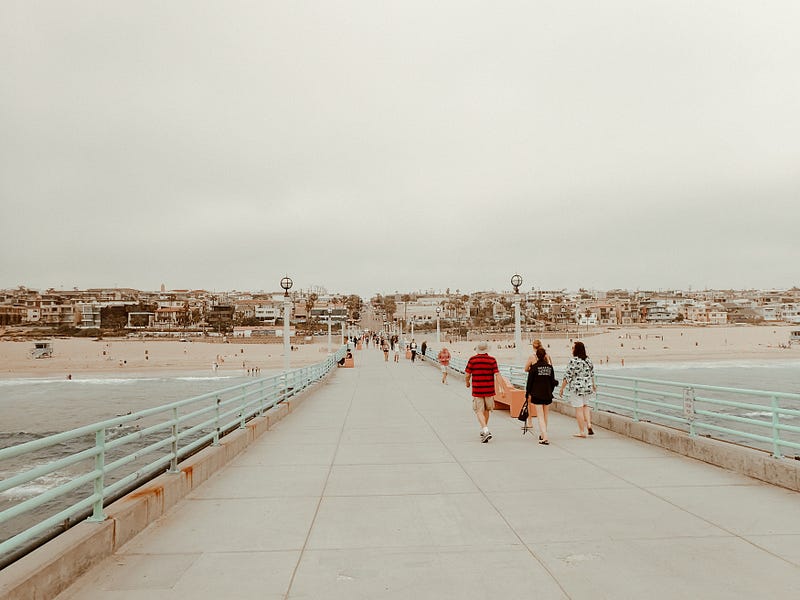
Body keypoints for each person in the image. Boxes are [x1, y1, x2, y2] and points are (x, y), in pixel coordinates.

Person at [465, 341, 505, 443]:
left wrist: (467, 383)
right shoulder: (492, 360)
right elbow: (497, 374)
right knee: (487, 410)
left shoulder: (472, 359)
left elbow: (467, 374)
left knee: (479, 411)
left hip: (477, 390)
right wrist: (502, 388)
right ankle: (484, 430)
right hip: (489, 390)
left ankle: (486, 430)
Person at [559, 341, 596, 438]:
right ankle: (589, 424)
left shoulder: (574, 361)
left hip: (577, 388)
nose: (572, 350)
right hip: (588, 387)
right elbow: (592, 373)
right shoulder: (588, 360)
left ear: (576, 349)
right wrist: (594, 385)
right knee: (586, 406)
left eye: (573, 348)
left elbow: (568, 376)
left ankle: (582, 431)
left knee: (579, 410)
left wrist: (562, 388)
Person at [525, 347, 558, 444]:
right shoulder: (550, 367)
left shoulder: (534, 368)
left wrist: (527, 394)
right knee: (545, 415)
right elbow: (552, 382)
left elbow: (529, 383)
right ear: (545, 356)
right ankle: (543, 434)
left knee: (540, 416)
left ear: (537, 356)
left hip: (537, 394)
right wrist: (550, 391)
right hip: (547, 394)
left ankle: (545, 436)